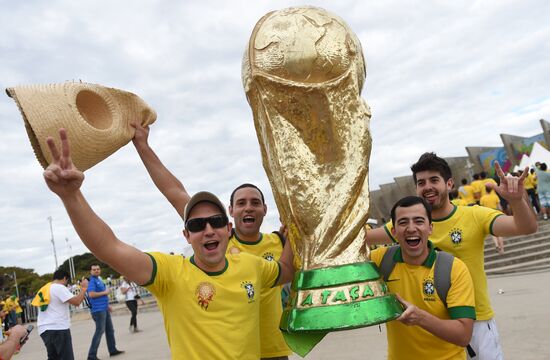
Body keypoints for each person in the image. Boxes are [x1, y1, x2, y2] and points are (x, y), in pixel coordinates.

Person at [42, 128, 295, 359]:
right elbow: (110, 247)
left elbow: (286, 269)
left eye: (216, 222)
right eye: (196, 225)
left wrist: (299, 229)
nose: (208, 230)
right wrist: (72, 196)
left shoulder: (253, 265)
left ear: (227, 228)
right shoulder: (171, 273)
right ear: (186, 235)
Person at [132, 122, 292, 359]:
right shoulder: (219, 240)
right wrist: (143, 146)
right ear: (230, 213)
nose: (248, 207)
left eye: (255, 202)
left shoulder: (280, 241)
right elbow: (175, 191)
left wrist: (296, 230)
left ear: (265, 209)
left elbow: (292, 268)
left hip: (273, 348)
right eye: (241, 203)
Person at [366, 152, 537, 359]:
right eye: (421, 182)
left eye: (434, 180)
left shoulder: (474, 215)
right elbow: (363, 239)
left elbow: (525, 227)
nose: (427, 186)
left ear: (449, 184)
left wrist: (517, 201)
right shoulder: (407, 224)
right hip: (430, 325)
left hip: (476, 322)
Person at [371, 196, 475, 359]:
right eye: (403, 222)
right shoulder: (379, 260)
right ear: (393, 232)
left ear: (430, 228)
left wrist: (420, 318)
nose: (411, 228)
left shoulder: (453, 269)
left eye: (419, 221)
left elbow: (463, 335)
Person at [37, 269, 89, 360]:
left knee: (53, 357)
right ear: (65, 278)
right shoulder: (59, 287)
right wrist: (84, 289)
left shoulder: (44, 288)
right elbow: (76, 302)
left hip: (44, 329)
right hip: (58, 327)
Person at [87, 264, 124, 360]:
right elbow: (91, 294)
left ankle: (112, 350)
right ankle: (91, 355)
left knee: (110, 330)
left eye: (98, 269)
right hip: (98, 310)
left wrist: (107, 305)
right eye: (94, 269)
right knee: (99, 331)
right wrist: (105, 292)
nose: (96, 271)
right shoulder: (92, 281)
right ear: (90, 271)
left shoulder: (98, 280)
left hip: (104, 308)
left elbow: (102, 296)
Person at [479, 185, 505, 254]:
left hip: (487, 215)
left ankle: (496, 245)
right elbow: (500, 207)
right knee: (499, 233)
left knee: (492, 232)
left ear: (485, 190)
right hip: (496, 214)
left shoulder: (482, 198)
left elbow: (481, 209)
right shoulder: (495, 196)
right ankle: (502, 249)